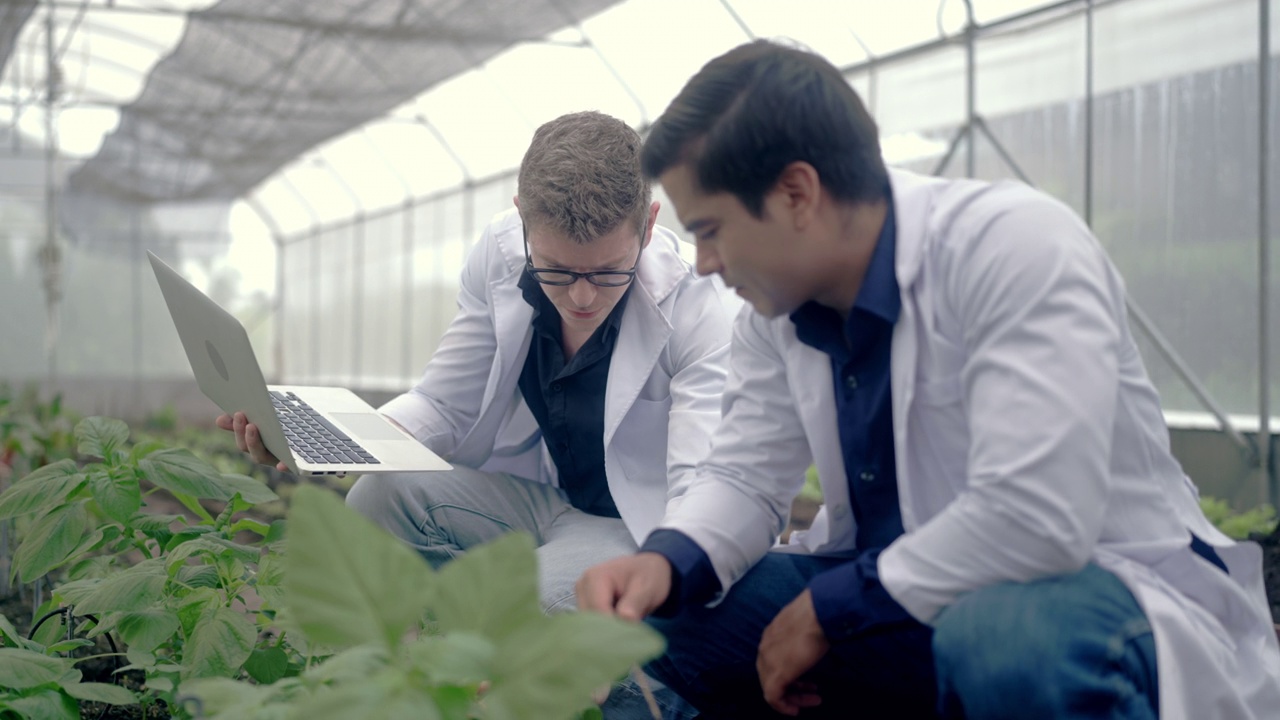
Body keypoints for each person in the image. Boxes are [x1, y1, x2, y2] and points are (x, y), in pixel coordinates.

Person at [576, 40, 1280, 719]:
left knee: (1007, 642)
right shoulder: (777, 312)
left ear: (796, 193)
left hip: (1081, 598)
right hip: (901, 601)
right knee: (671, 617)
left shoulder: (1014, 246)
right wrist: (663, 566)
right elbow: (743, 476)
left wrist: (831, 604)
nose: (702, 263)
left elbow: (1039, 515)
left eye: (711, 230)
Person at [220, 110, 731, 717]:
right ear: (522, 219)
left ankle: (620, 686)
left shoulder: (704, 308)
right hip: (544, 498)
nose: (582, 296)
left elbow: (704, 493)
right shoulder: (499, 254)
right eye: (558, 272)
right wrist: (325, 441)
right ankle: (398, 687)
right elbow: (443, 403)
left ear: (647, 226)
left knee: (532, 600)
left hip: (638, 526)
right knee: (375, 502)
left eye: (606, 272)